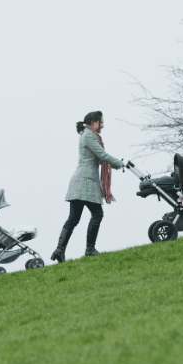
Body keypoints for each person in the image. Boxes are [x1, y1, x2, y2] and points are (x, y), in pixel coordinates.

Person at [51, 111, 124, 263]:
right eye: (101, 123)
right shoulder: (89, 136)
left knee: (73, 218)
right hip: (86, 182)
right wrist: (121, 164)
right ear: (93, 123)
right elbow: (102, 155)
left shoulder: (86, 135)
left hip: (80, 182)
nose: (102, 126)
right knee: (97, 214)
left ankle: (59, 250)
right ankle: (90, 249)